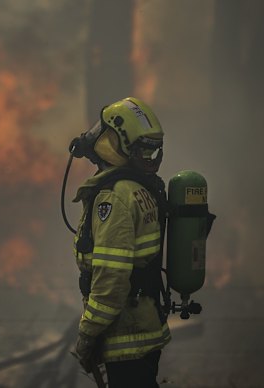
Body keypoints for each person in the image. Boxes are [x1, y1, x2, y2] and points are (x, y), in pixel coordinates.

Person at [71, 97, 171, 388]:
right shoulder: (139, 189)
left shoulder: (113, 197)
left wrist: (87, 335)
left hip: (127, 337)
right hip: (144, 328)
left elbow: (111, 278)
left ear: (115, 141)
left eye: (102, 131)